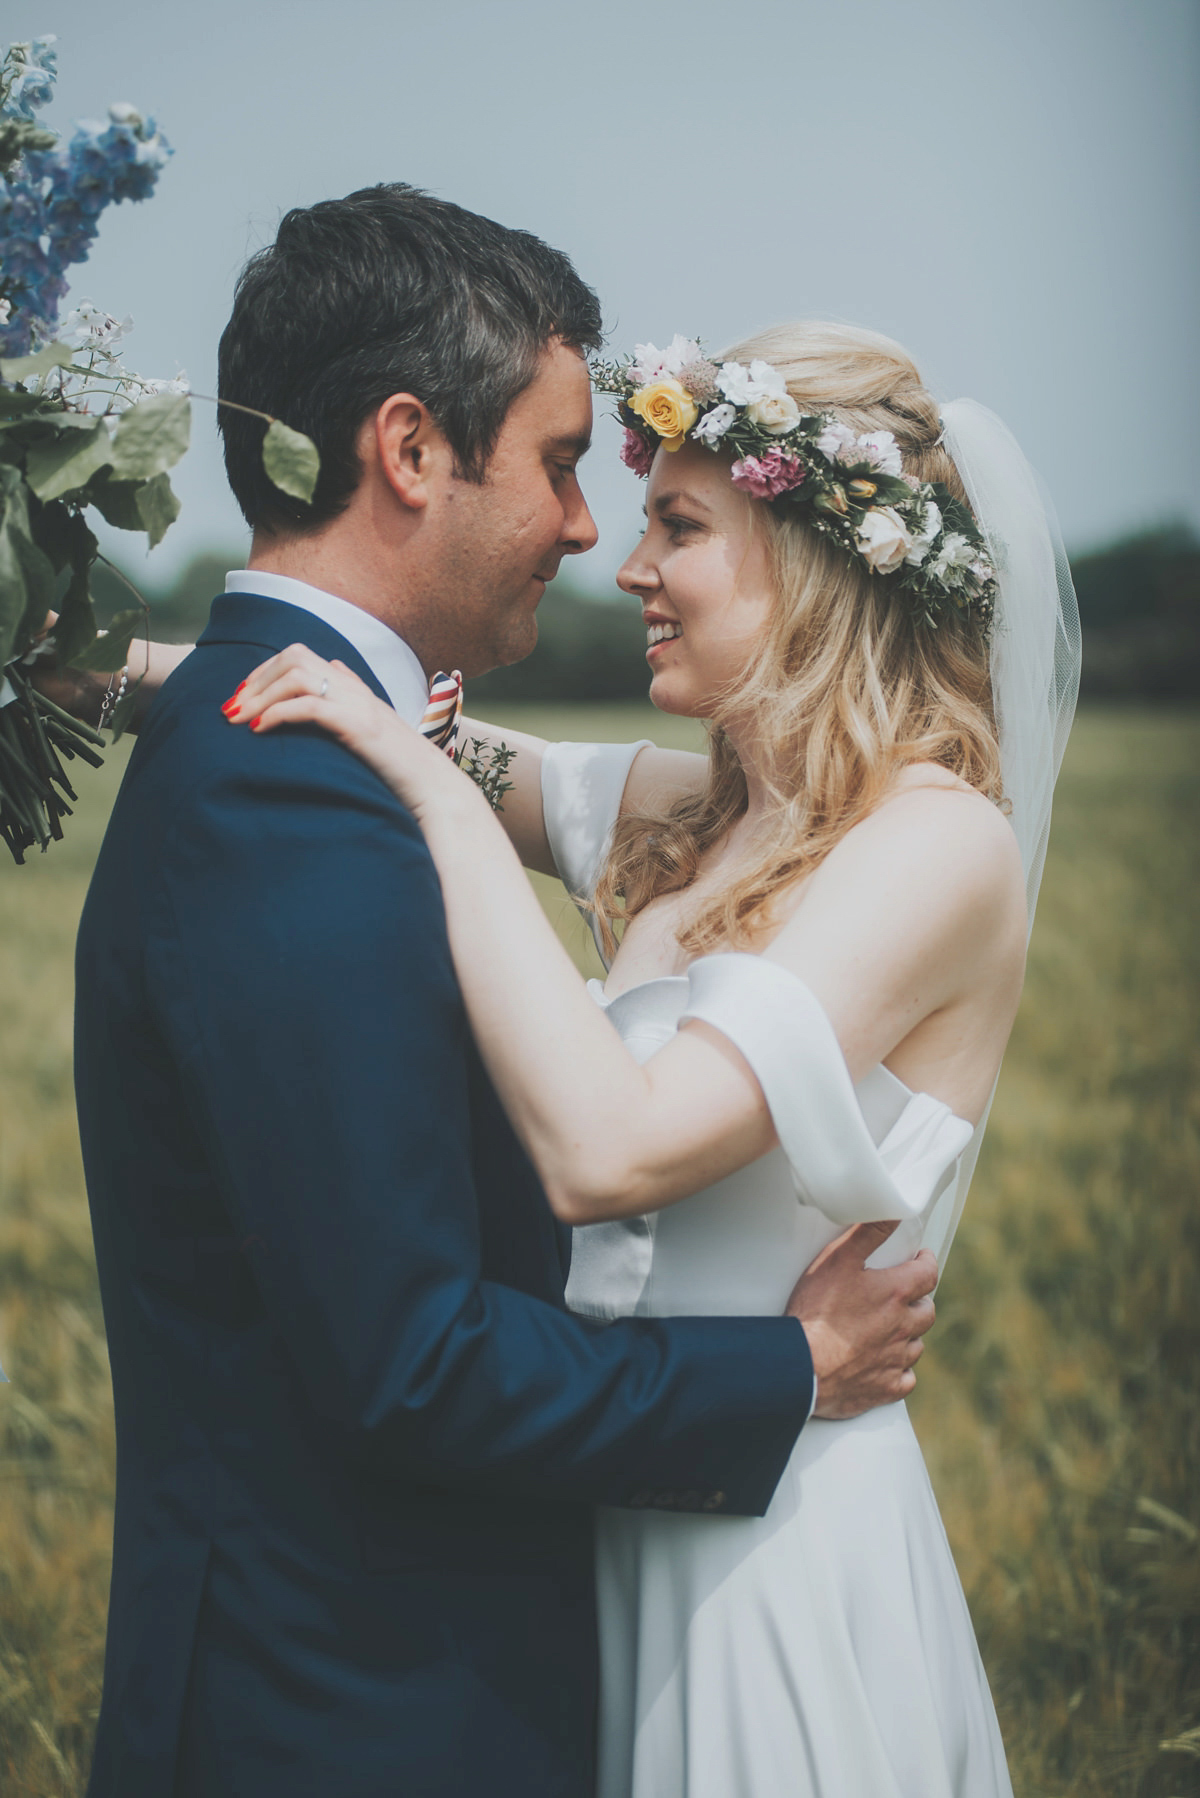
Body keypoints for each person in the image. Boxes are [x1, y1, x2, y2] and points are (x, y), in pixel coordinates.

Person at [69, 189, 938, 1798]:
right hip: (347, 1717)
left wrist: (118, 666)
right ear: (409, 449)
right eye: (559, 464)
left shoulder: (320, 748)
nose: (596, 532)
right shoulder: (296, 791)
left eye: (676, 518)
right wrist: (790, 1371)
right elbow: (413, 1360)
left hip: (538, 1635)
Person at [220, 321, 1082, 1796]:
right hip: (601, 1514)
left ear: (816, 559)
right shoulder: (698, 813)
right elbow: (385, 712)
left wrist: (423, 785)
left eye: (679, 525)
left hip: (775, 1550)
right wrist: (81, 665)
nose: (627, 567)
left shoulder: (940, 845)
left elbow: (613, 1144)